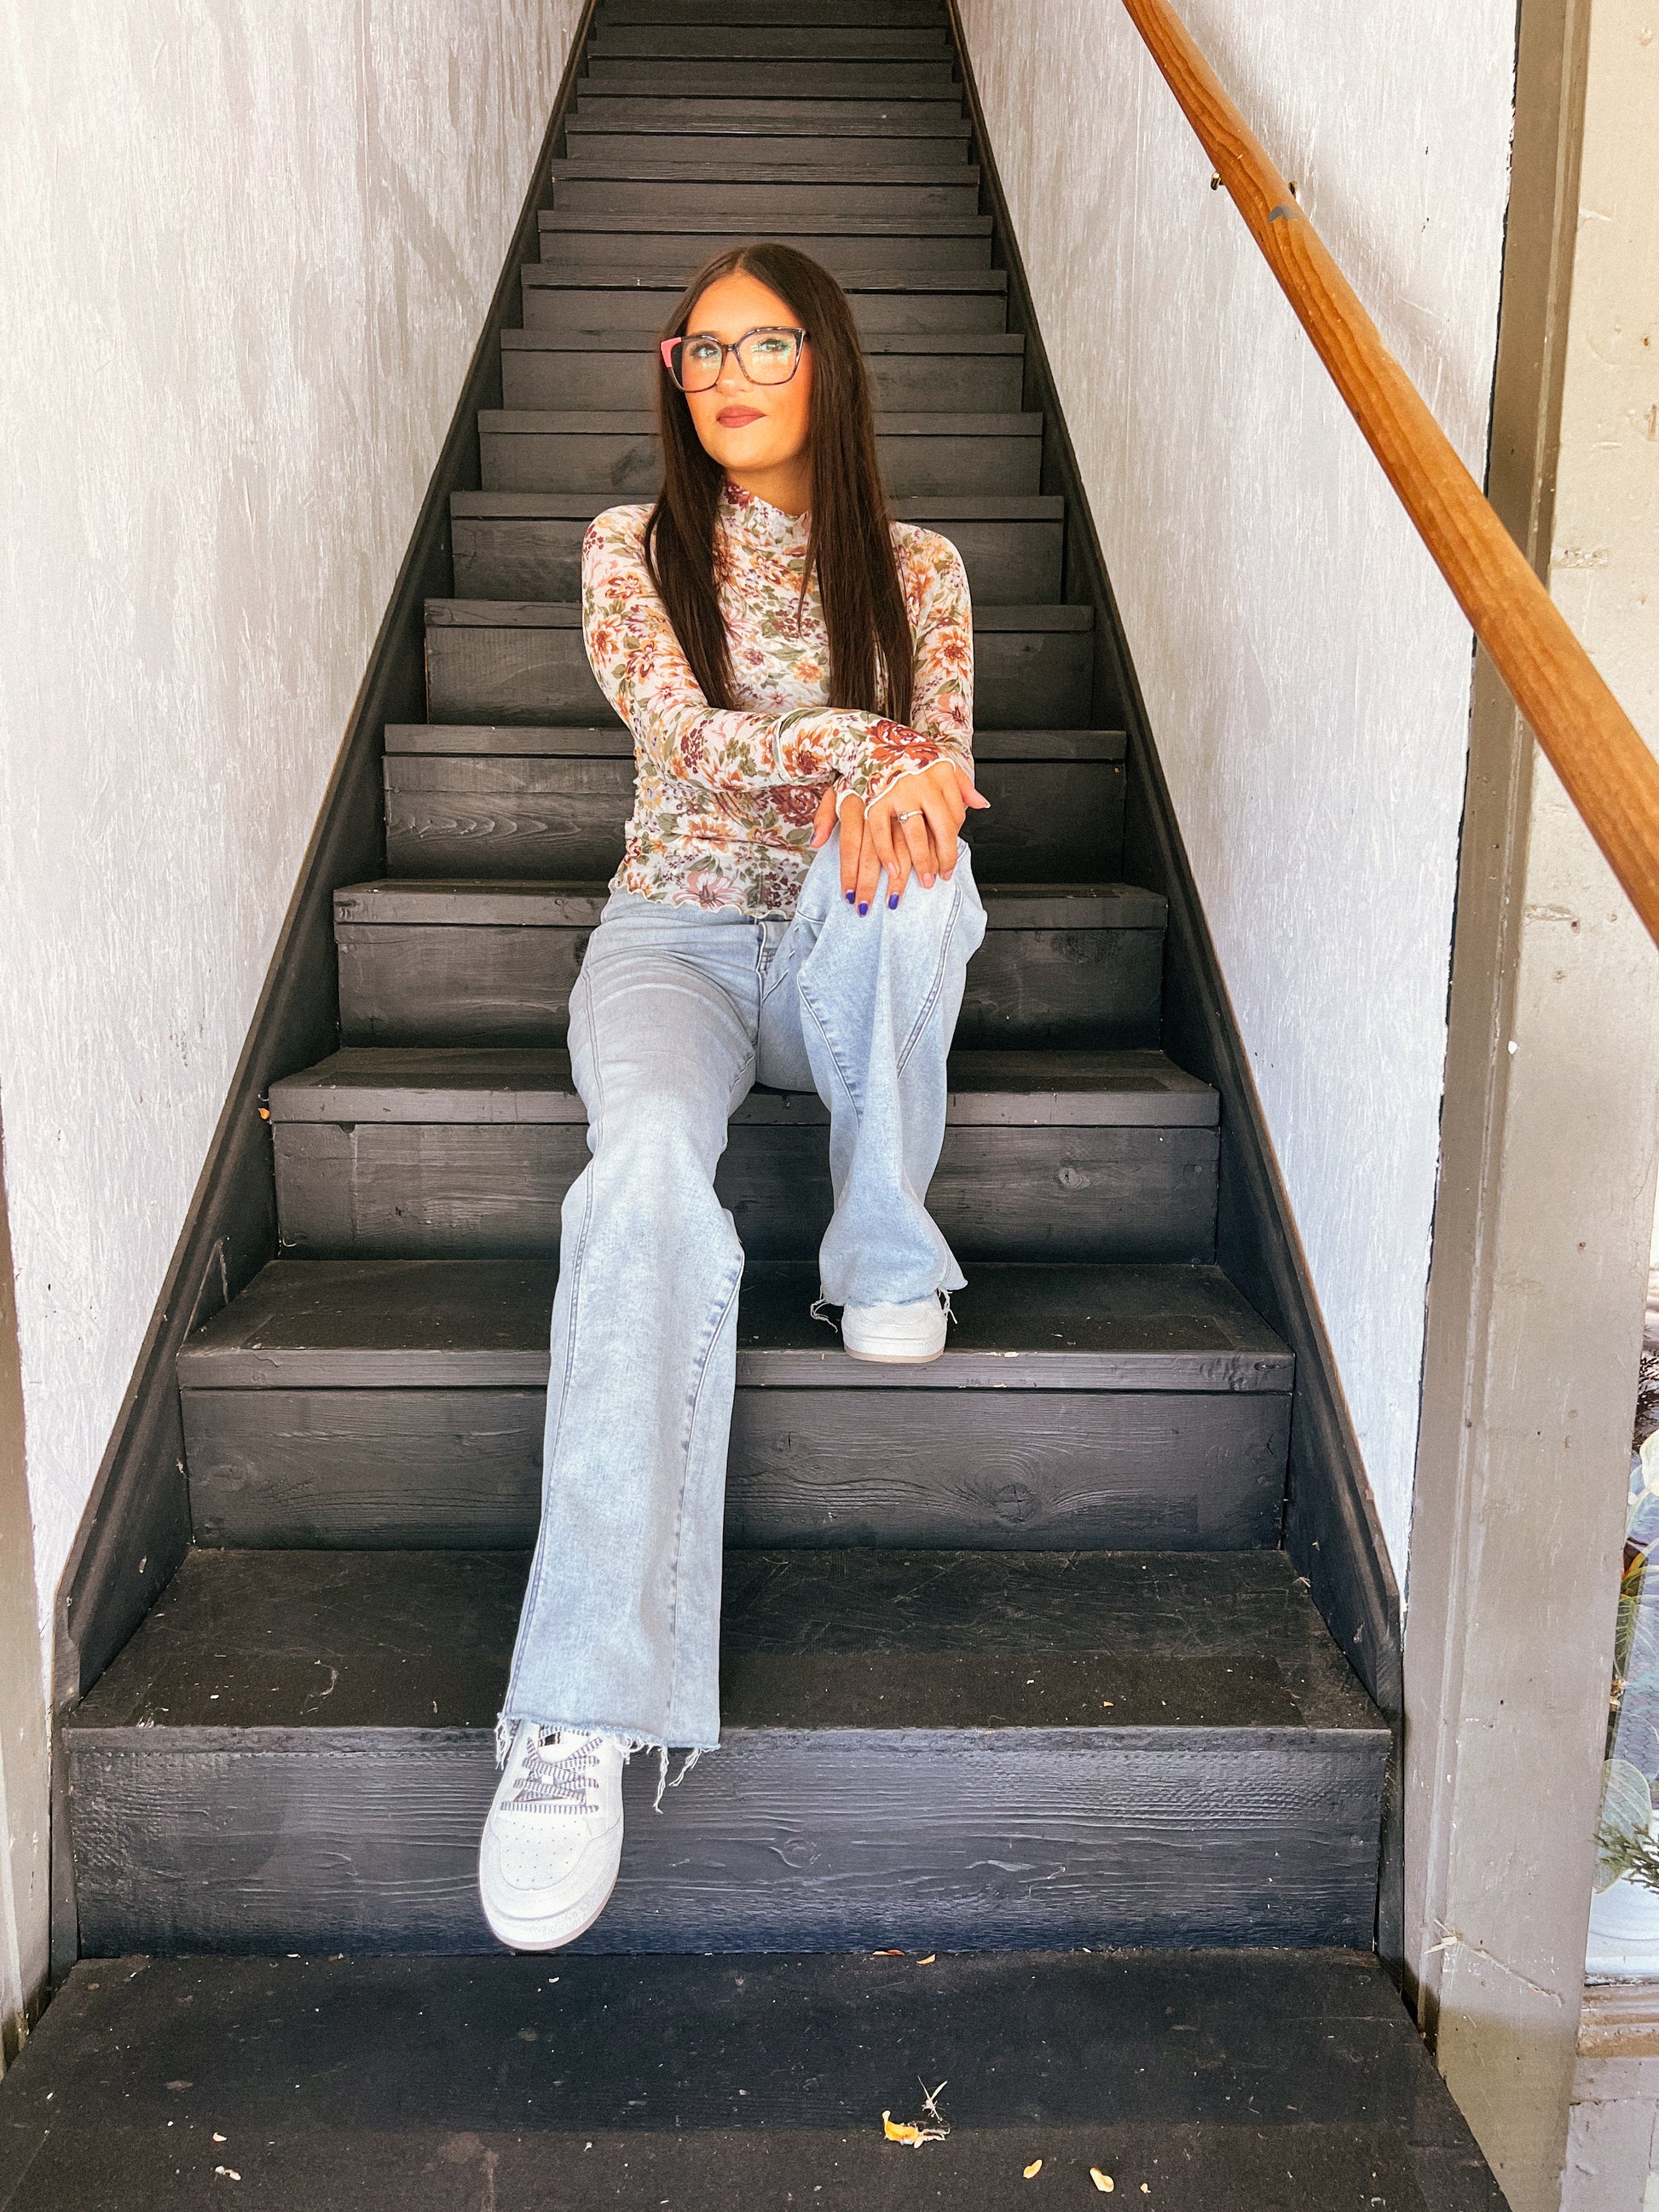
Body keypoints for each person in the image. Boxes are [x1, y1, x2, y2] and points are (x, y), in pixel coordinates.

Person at [477, 243, 988, 1951]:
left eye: (767, 342)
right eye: (703, 347)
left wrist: (893, 785)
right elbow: (686, 739)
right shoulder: (630, 550)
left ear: (828, 366)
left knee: (923, 879)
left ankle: (881, 1242)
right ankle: (576, 1714)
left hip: (834, 933)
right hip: (675, 940)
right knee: (634, 1176)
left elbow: (934, 783)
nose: (728, 371)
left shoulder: (921, 568)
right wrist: (864, 748)